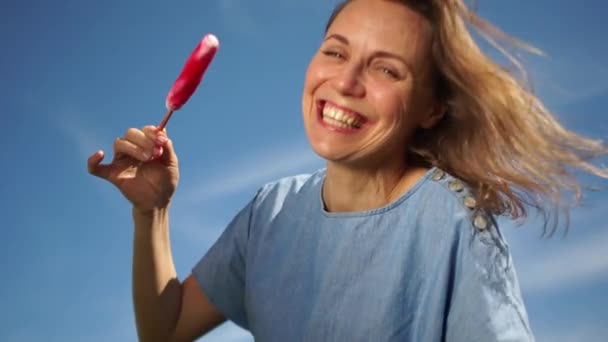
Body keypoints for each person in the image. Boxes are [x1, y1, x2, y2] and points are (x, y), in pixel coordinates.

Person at [88, 0, 607, 341]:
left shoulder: (451, 219)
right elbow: (166, 328)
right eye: (336, 52)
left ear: (431, 108)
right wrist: (152, 215)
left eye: (386, 69)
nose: (346, 82)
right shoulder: (271, 212)